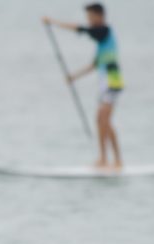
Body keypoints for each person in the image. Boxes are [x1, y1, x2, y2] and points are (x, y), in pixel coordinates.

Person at [44, 4, 124, 168]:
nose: (89, 20)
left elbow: (81, 29)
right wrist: (74, 77)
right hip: (104, 82)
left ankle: (116, 160)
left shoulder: (104, 31)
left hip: (113, 80)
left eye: (90, 17)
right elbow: (94, 65)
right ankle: (104, 159)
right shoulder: (102, 42)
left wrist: (53, 22)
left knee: (105, 120)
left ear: (99, 16)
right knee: (100, 120)